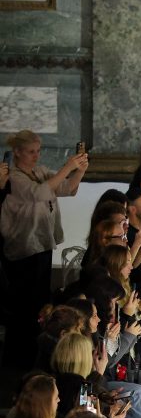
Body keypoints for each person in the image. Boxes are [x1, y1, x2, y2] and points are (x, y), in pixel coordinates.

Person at [0, 131, 88, 372]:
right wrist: (68, 166)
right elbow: (38, 193)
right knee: (23, 308)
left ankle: (35, 356)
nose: (36, 156)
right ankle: (16, 362)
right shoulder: (14, 177)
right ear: (17, 152)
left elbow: (67, 188)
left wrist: (79, 170)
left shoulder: (39, 172)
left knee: (40, 302)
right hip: (22, 249)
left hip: (42, 244)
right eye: (31, 151)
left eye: (38, 151)